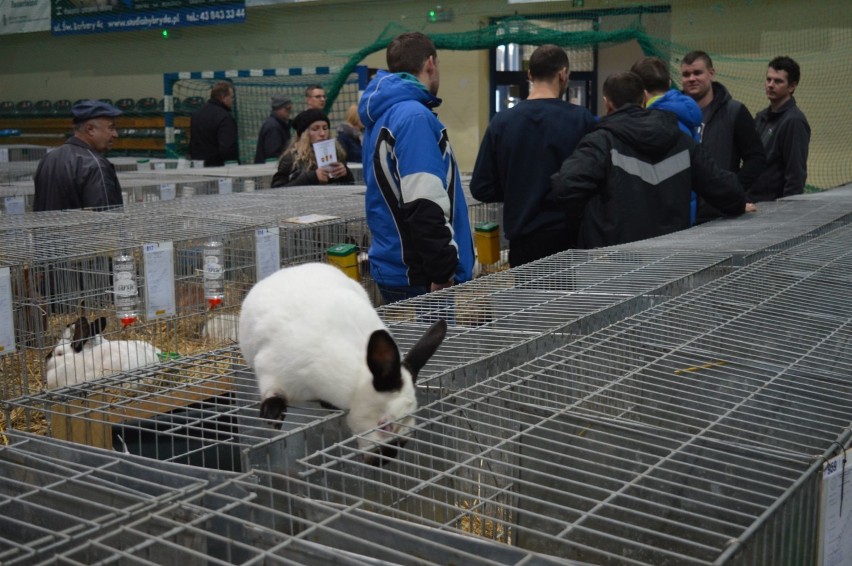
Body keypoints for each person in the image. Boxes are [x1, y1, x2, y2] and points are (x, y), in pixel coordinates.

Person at [547, 72, 749, 249]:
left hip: (614, 263)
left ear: (607, 102)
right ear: (644, 98)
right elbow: (721, 186)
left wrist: (590, 228)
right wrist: (739, 203)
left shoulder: (601, 142)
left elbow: (565, 186)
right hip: (669, 259)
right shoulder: (681, 140)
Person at [358, 31, 475, 304]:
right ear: (431, 64)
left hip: (397, 266)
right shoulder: (413, 116)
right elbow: (424, 201)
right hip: (420, 276)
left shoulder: (384, 115)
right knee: (432, 347)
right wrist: (443, 271)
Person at [469, 45, 594, 267]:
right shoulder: (581, 120)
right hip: (569, 241)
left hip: (523, 241)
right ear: (563, 74)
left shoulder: (502, 122)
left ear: (529, 75)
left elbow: (481, 187)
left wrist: (516, 190)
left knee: (528, 300)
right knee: (569, 302)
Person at [681, 50, 765, 223]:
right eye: (686, 74)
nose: (691, 79)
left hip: (720, 216)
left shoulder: (734, 112)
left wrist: (733, 192)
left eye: (697, 73)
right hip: (682, 214)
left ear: (711, 73)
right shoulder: (672, 116)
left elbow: (756, 157)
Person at [631, 56, 702, 224]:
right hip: (685, 210)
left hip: (656, 215)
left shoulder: (649, 125)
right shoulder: (687, 115)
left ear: (639, 91)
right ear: (669, 83)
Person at [33, 99, 123, 211]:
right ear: (90, 129)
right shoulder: (95, 165)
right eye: (111, 128)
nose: (115, 134)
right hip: (80, 229)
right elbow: (105, 217)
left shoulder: (48, 158)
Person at [750, 56, 811, 202]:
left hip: (773, 210)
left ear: (792, 86)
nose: (770, 85)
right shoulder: (761, 117)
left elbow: (795, 175)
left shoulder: (794, 122)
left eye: (778, 81)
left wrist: (785, 212)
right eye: (768, 79)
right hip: (753, 203)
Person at [270, 109, 353, 187]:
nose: (322, 133)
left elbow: (350, 186)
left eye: (325, 128)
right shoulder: (291, 158)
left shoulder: (337, 153)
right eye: (315, 129)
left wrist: (346, 173)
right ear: (304, 135)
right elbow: (278, 191)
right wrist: (312, 178)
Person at [189, 81, 239, 167]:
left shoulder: (196, 114)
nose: (232, 100)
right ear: (223, 97)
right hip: (218, 168)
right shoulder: (224, 117)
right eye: (231, 97)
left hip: (198, 167)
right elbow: (227, 149)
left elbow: (192, 144)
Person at [254, 94, 292, 163]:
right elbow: (273, 155)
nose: (289, 111)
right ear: (278, 109)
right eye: (287, 109)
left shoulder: (277, 124)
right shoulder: (273, 127)